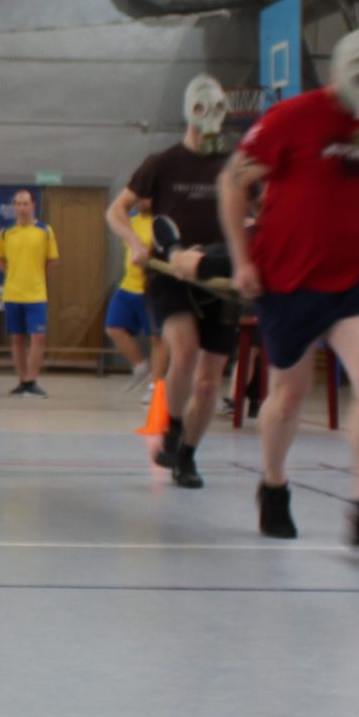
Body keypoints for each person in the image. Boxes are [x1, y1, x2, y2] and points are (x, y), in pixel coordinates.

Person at [222, 23, 359, 546]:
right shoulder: (291, 118)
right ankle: (274, 484)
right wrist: (242, 260)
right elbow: (232, 182)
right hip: (289, 277)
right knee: (288, 395)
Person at [110, 75, 238, 487]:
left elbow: (257, 211)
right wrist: (134, 242)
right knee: (184, 350)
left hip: (219, 277)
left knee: (209, 381)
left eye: (217, 109)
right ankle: (174, 425)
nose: (209, 117)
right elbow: (116, 210)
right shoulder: (162, 163)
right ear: (190, 111)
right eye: (202, 108)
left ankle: (187, 455)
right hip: (171, 272)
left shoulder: (233, 165)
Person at [0, 188, 59, 398]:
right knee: (17, 339)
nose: (22, 208)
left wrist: (36, 276)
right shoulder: (6, 234)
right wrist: (15, 273)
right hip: (13, 294)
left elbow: (53, 261)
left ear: (33, 206)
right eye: (18, 204)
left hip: (36, 294)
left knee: (38, 337)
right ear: (14, 207)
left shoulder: (45, 231)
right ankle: (22, 380)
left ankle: (32, 380)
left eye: (25, 204)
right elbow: (0, 260)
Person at [103, 197, 159, 398]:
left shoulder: (160, 222)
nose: (141, 201)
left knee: (157, 338)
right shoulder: (130, 220)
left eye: (146, 197)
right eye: (138, 197)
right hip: (128, 286)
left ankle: (155, 385)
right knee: (113, 328)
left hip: (151, 289)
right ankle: (140, 367)